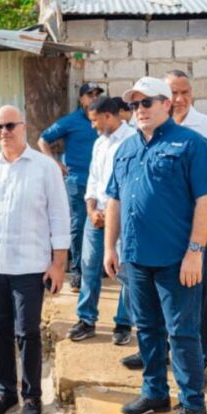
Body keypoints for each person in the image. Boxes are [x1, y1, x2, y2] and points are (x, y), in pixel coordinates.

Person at [104, 77, 207, 414]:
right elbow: (115, 200)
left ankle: (193, 405)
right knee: (148, 329)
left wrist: (195, 252)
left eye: (147, 103)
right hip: (137, 259)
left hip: (176, 260)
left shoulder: (191, 144)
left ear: (166, 104)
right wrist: (111, 247)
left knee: (182, 333)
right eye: (134, 105)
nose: (139, 110)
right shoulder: (125, 149)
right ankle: (155, 393)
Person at [119, 70, 207, 373]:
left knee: (195, 296)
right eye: (174, 93)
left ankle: (200, 360)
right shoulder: (142, 134)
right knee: (153, 299)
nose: (179, 99)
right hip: (157, 234)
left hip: (201, 226)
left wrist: (197, 244)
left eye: (185, 92)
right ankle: (156, 353)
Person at [0, 105, 70, 414]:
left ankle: (32, 396)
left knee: (28, 332)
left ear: (24, 127)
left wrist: (58, 264)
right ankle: (6, 393)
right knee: (1, 332)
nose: (4, 133)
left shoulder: (44, 168)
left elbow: (59, 216)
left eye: (10, 126)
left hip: (30, 266)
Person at [66, 96, 135, 343]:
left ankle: (124, 324)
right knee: (89, 267)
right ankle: (86, 319)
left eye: (95, 121)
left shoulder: (133, 140)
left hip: (124, 218)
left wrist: (113, 212)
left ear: (108, 116)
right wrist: (91, 209)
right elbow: (93, 179)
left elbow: (133, 184)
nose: (93, 126)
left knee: (125, 270)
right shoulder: (100, 144)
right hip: (96, 216)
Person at [39, 83, 101, 292]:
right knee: (78, 224)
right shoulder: (71, 121)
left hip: (101, 183)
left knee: (101, 223)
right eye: (89, 95)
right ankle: (77, 271)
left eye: (97, 95)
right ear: (81, 99)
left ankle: (95, 267)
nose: (93, 98)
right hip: (77, 181)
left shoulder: (103, 120)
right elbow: (43, 140)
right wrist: (54, 163)